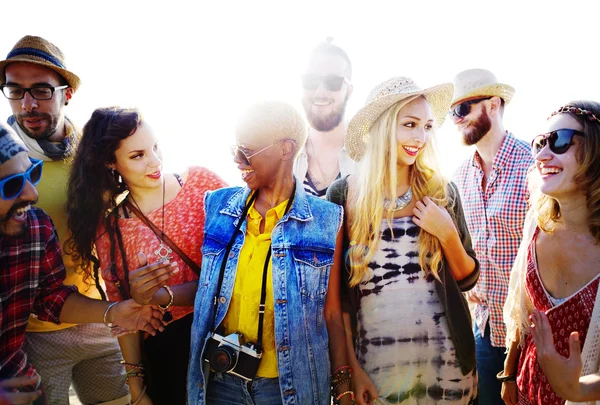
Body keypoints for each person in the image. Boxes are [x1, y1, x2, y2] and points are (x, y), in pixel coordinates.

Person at [187, 101, 352, 405]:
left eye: (246, 150)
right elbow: (204, 288)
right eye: (234, 149)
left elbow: (330, 313)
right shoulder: (217, 207)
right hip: (219, 384)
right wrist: (160, 296)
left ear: (285, 149)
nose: (237, 160)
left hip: (287, 388)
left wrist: (343, 384)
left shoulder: (327, 220)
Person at [327, 77, 480, 405]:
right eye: (409, 125)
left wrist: (447, 234)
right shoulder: (342, 195)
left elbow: (468, 278)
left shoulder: (442, 191)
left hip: (449, 370)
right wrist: (351, 369)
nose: (420, 137)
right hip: (377, 371)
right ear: (382, 127)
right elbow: (336, 299)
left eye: (426, 126)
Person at [65, 106, 226, 405]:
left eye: (154, 147)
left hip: (225, 338)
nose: (154, 161)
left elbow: (238, 269)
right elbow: (125, 320)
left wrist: (158, 294)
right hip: (168, 356)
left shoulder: (202, 184)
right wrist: (137, 389)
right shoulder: (110, 230)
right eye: (137, 155)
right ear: (110, 163)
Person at [0, 35, 129, 404]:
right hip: (32, 334)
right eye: (14, 90)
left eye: (41, 90)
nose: (27, 104)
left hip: (100, 320)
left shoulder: (98, 153)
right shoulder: (4, 161)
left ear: (66, 93)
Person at [0, 123, 164, 405]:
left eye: (32, 173)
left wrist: (116, 312)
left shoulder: (36, 227)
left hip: (21, 386)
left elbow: (50, 298)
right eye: (12, 185)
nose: (32, 193)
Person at [502, 101, 600, 405]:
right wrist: (507, 373)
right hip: (524, 392)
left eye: (559, 141)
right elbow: (522, 314)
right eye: (540, 144)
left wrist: (579, 390)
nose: (543, 155)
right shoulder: (535, 224)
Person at [450, 68, 533, 405]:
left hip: (532, 336)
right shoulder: (457, 178)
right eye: (453, 112)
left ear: (494, 104)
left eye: (464, 108)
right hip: (484, 332)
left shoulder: (535, 165)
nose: (456, 119)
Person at [295, 38, 357, 198]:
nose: (320, 91)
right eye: (311, 80)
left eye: (333, 82)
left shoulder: (372, 155)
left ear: (349, 91)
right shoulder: (282, 154)